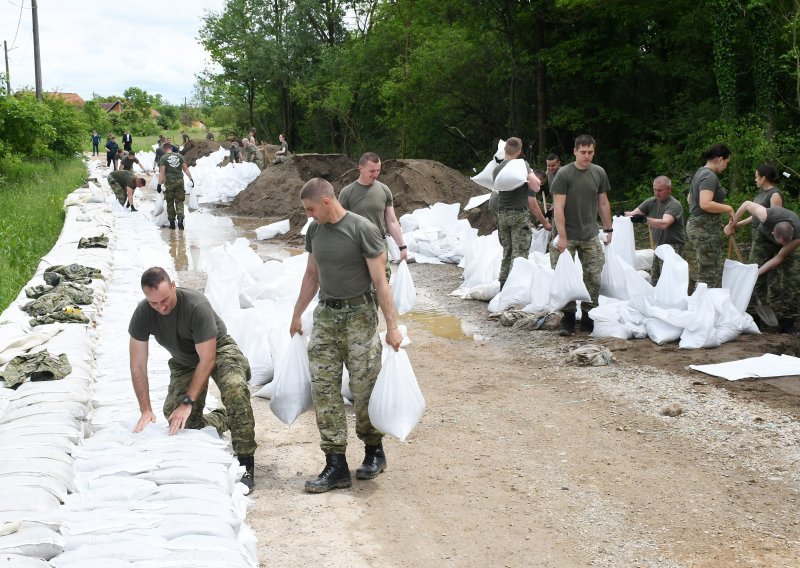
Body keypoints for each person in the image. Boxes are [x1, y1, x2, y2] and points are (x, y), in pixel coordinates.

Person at [289, 178, 402, 493]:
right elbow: (312, 275)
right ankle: (335, 463)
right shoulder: (315, 231)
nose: (309, 215)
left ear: (326, 201)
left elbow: (381, 282)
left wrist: (391, 326)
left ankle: (373, 451)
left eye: (311, 209)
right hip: (326, 315)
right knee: (323, 388)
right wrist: (297, 314)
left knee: (363, 388)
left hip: (359, 316)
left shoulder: (361, 229)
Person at [128, 267, 257, 493]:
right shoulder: (143, 313)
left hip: (218, 351)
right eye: (154, 303)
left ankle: (245, 461)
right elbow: (137, 364)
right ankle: (223, 418)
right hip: (184, 360)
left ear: (174, 285)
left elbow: (207, 360)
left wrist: (188, 402)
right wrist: (145, 409)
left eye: (165, 300)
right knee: (178, 422)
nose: (162, 307)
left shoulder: (196, 305)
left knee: (235, 390)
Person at [550, 134, 613, 336]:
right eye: (583, 152)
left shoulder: (598, 173)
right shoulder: (564, 174)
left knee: (594, 276)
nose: (587, 156)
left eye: (590, 152)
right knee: (564, 277)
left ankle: (588, 315)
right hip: (565, 233)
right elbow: (558, 206)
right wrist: (562, 236)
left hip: (589, 233)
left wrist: (608, 229)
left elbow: (603, 203)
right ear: (575, 151)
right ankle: (568, 318)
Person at [726, 203, 800, 333]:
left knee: (793, 279)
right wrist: (733, 224)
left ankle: (788, 320)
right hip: (763, 238)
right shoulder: (765, 215)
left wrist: (758, 272)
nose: (782, 245)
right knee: (755, 276)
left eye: (784, 243)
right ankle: (754, 317)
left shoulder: (797, 236)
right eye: (780, 243)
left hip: (790, 241)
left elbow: (779, 258)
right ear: (773, 232)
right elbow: (746, 204)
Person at [338, 152, 409, 278]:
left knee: (382, 280)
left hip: (379, 243)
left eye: (378, 170)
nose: (375, 174)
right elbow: (339, 222)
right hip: (356, 245)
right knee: (358, 281)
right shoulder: (347, 193)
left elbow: (391, 221)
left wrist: (402, 247)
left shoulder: (384, 190)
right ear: (361, 168)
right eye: (372, 171)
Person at [492, 137, 550, 288]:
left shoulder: (497, 168)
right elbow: (536, 186)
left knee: (507, 252)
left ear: (505, 150)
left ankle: (503, 286)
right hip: (519, 215)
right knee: (520, 254)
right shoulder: (522, 165)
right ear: (518, 152)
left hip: (502, 214)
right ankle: (515, 289)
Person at [733, 164, 783, 316]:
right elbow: (755, 215)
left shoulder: (774, 195)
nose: (755, 179)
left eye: (757, 177)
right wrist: (738, 224)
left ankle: (758, 314)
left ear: (764, 178)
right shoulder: (760, 194)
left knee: (758, 275)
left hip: (767, 241)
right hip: (757, 238)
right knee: (755, 275)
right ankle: (754, 312)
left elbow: (774, 219)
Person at [686, 144, 734, 288]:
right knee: (708, 274)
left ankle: (701, 305)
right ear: (720, 159)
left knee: (706, 270)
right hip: (703, 228)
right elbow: (705, 203)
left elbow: (689, 199)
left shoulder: (700, 172)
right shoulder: (709, 175)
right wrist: (728, 208)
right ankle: (702, 308)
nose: (726, 166)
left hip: (699, 225)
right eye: (727, 162)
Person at [624, 176, 686, 284]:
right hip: (659, 247)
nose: (657, 193)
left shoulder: (674, 205)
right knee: (655, 281)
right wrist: (623, 214)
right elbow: (633, 214)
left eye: (660, 190)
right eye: (655, 189)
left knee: (670, 282)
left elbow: (664, 223)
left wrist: (644, 219)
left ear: (669, 190)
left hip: (673, 248)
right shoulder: (652, 202)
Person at [157, 142, 194, 230]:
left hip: (169, 182)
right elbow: (185, 169)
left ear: (164, 149)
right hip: (180, 181)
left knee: (170, 203)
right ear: (171, 148)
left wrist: (159, 184)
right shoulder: (179, 156)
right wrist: (191, 179)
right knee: (179, 202)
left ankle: (172, 223)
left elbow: (162, 173)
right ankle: (180, 219)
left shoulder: (163, 158)